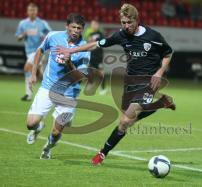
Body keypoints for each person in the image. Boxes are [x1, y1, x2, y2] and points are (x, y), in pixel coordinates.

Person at [56, 3, 175, 165]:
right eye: (123, 23)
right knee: (129, 119)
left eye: (129, 23)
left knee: (125, 121)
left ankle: (102, 153)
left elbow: (168, 53)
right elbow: (95, 45)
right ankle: (162, 103)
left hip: (149, 82)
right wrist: (71, 51)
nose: (126, 26)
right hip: (130, 81)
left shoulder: (153, 37)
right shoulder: (121, 35)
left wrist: (159, 72)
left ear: (137, 20)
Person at [26, 13, 90, 159]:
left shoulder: (84, 49)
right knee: (31, 124)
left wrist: (68, 62)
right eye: (73, 27)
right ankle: (38, 128)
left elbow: (79, 76)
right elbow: (40, 51)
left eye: (79, 28)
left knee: (56, 131)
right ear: (66, 26)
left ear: (82, 29)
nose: (75, 30)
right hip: (48, 87)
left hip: (69, 93)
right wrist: (34, 73)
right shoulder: (53, 36)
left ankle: (47, 148)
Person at [15, 2, 51, 101]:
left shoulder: (42, 23)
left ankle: (30, 94)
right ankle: (38, 93)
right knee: (37, 73)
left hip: (40, 50)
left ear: (37, 11)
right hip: (29, 51)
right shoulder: (23, 23)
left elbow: (50, 34)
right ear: (27, 11)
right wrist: (23, 35)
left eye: (34, 10)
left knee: (27, 68)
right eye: (30, 10)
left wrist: (44, 36)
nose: (32, 12)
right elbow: (18, 37)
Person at [84, 20, 106, 95]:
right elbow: (88, 43)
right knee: (89, 70)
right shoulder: (90, 34)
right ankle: (90, 83)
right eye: (92, 24)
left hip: (98, 56)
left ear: (97, 25)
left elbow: (102, 44)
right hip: (91, 55)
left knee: (101, 72)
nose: (93, 26)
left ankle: (103, 88)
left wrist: (94, 46)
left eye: (94, 24)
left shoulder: (100, 34)